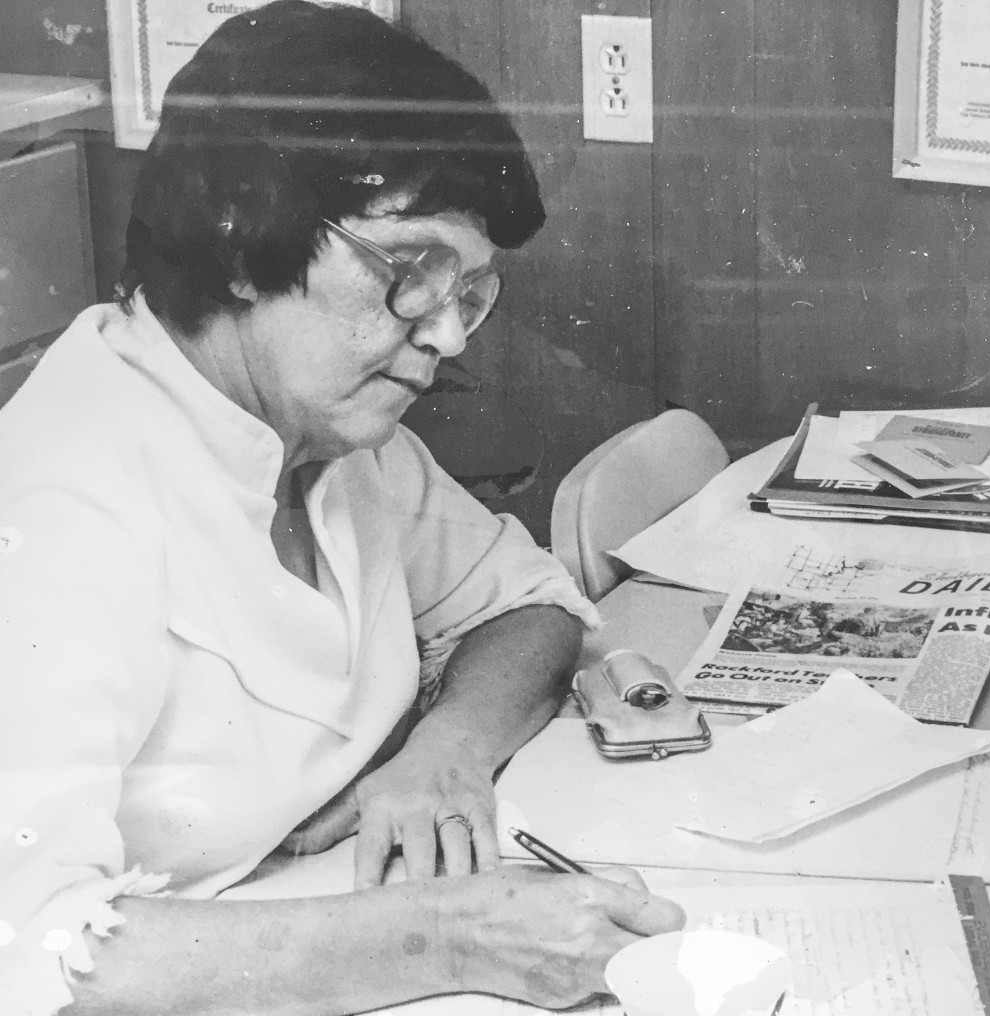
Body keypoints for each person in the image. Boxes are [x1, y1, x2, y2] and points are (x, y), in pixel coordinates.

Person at [0, 3, 684, 1014]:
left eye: (471, 290)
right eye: (410, 273)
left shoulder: (320, 429)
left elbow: (528, 603)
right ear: (239, 237)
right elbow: (31, 945)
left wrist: (442, 751)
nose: (447, 335)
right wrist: (454, 936)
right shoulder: (58, 506)